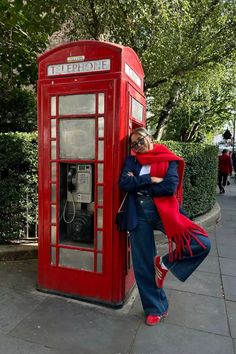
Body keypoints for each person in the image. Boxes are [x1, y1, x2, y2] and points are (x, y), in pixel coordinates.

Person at [119, 127, 211, 326]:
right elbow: (125, 183)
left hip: (165, 213)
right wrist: (150, 179)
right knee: (143, 265)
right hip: (139, 214)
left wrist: (139, 184)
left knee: (201, 243)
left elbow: (169, 186)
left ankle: (164, 264)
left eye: (140, 140)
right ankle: (155, 308)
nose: (138, 146)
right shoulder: (132, 161)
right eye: (133, 144)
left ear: (150, 137)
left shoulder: (167, 158)